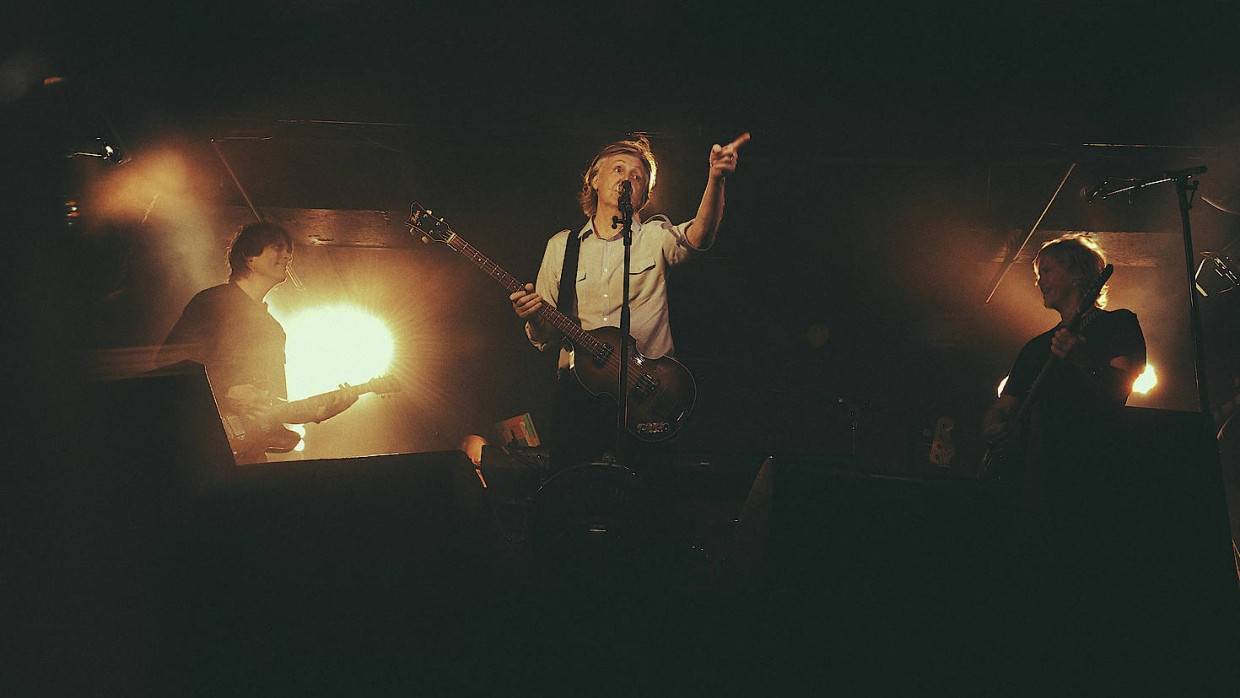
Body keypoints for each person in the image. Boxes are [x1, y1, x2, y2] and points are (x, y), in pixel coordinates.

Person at [509, 133, 749, 478]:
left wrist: (716, 178)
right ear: (594, 179)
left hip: (646, 391)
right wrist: (532, 317)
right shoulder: (563, 246)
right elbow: (544, 336)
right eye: (618, 169)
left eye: (637, 176)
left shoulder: (654, 236)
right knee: (570, 488)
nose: (627, 178)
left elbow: (700, 237)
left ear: (643, 194)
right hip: (579, 392)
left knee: (649, 496)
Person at [979, 233, 1147, 682]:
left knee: (1083, 592)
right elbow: (1004, 407)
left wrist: (1079, 357)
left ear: (1078, 274)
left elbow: (1118, 393)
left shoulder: (1119, 326)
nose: (1040, 281)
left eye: (1048, 270)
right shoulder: (1036, 347)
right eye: (1038, 274)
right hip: (1034, 483)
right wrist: (994, 426)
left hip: (1093, 484)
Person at [158, 221, 356, 462]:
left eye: (288, 250)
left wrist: (319, 412)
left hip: (249, 455)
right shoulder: (212, 303)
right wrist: (226, 391)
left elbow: (274, 404)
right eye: (277, 247)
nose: (287, 256)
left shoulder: (274, 330)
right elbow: (167, 362)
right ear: (250, 257)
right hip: (199, 443)